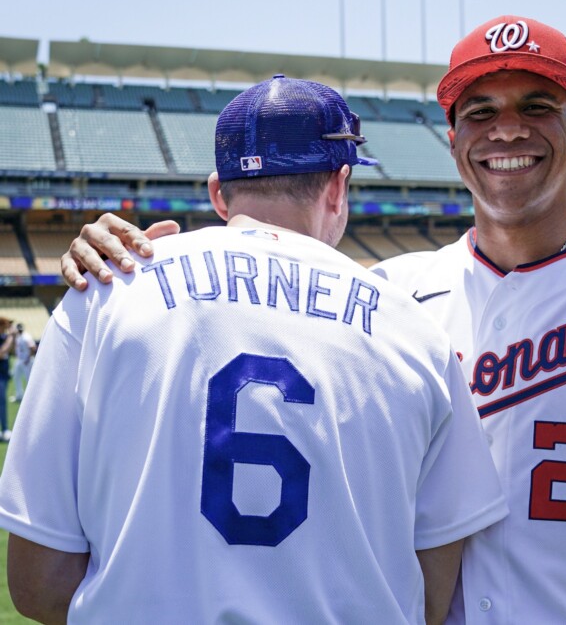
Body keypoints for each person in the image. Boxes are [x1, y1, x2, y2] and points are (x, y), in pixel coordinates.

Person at [59, 16, 566, 624]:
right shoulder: (381, 295)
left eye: (535, 105)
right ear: (452, 142)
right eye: (478, 112)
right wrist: (119, 259)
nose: (507, 129)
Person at [1, 74, 507, 624]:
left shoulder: (104, 288)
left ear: (218, 192)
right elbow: (432, 597)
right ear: (339, 185)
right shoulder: (418, 330)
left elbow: (39, 583)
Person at [10, 322, 36, 404]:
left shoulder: (26, 336)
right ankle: (19, 395)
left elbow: (33, 348)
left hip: (27, 360)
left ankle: (31, 397)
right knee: (16, 377)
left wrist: (27, 359)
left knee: (28, 379)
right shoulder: (18, 337)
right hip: (20, 360)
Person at [0, 318, 12, 441]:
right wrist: (10, 338)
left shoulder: (4, 338)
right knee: (2, 404)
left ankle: (4, 429)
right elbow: (2, 353)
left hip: (3, 374)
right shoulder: (5, 339)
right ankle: (4, 429)